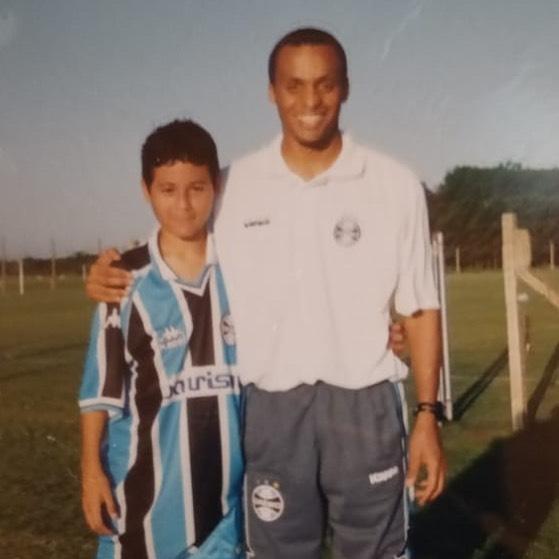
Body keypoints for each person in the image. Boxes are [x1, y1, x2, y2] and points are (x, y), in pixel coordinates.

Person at [87, 28, 445, 559]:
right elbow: (174, 246)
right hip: (271, 411)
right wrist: (107, 272)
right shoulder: (236, 184)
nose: (309, 102)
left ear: (345, 88)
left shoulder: (393, 183)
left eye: (324, 85)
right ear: (271, 92)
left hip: (365, 404)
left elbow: (419, 305)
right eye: (293, 85)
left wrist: (427, 415)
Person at [79, 120, 244, 559]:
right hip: (143, 511)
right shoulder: (123, 281)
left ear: (216, 185)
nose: (185, 205)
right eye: (168, 190)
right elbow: (101, 393)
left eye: (197, 188)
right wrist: (90, 470)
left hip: (227, 516)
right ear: (145, 190)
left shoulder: (244, 269)